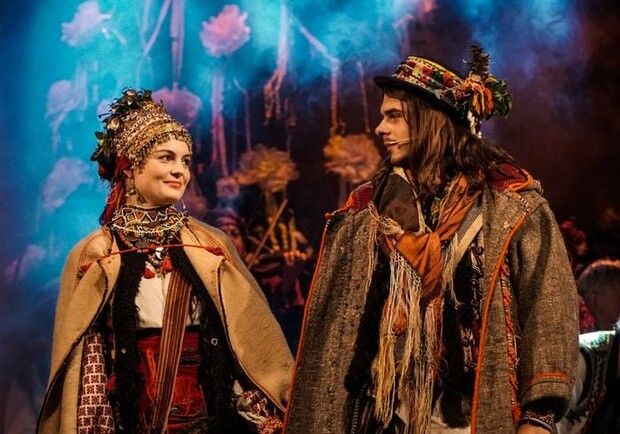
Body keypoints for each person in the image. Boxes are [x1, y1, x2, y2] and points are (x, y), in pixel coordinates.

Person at [285, 46, 578, 433]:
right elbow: (336, 337)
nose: (380, 129)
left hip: (473, 417)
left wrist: (539, 416)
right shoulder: (366, 213)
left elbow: (549, 309)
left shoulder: (510, 208)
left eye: (394, 116)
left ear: (431, 122)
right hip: (387, 416)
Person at [37, 89, 293, 434]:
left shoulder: (209, 244)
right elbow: (89, 368)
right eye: (166, 158)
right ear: (130, 167)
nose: (180, 171)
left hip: (206, 418)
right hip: (134, 417)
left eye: (185, 161)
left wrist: (265, 410)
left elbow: (243, 345)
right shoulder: (96, 253)